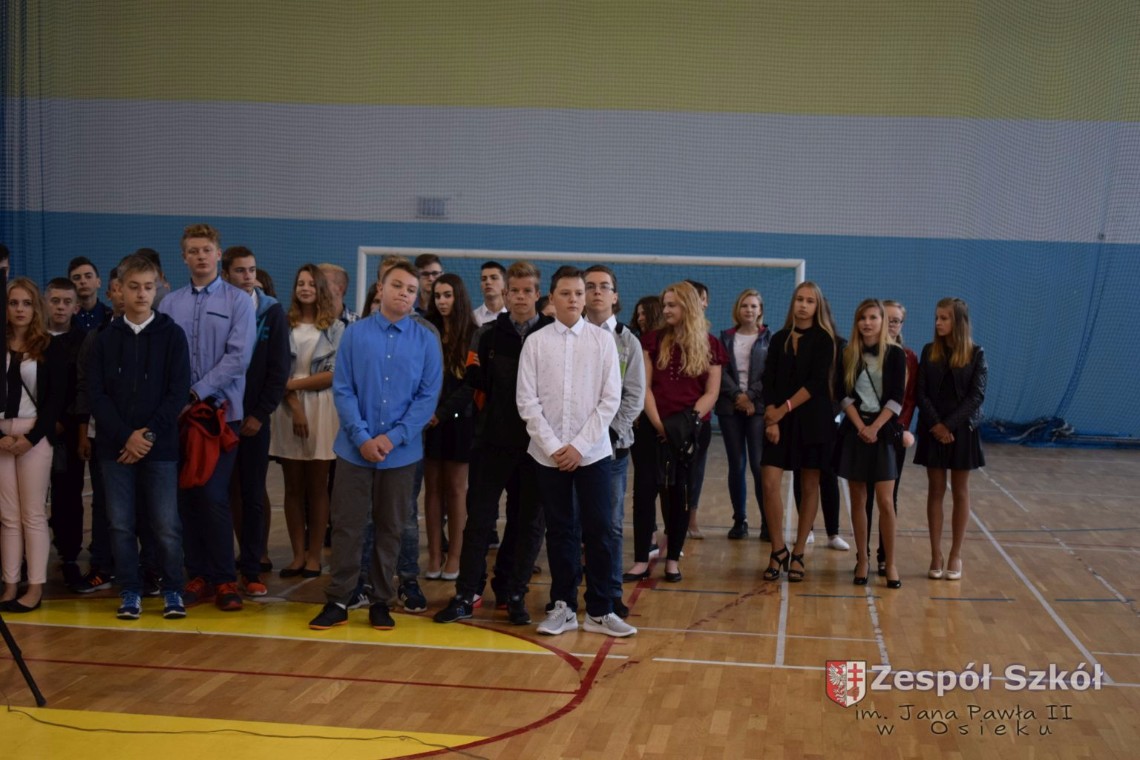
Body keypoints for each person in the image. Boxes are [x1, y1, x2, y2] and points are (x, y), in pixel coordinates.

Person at [308, 261, 441, 631]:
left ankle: (381, 600)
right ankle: (339, 599)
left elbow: (427, 397)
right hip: (354, 451)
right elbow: (343, 388)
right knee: (347, 526)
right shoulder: (355, 334)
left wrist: (392, 438)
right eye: (397, 286)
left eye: (411, 290)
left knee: (391, 527)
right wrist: (363, 437)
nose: (404, 294)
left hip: (401, 454)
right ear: (381, 289)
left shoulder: (426, 341)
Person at [433, 261, 553, 626]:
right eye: (514, 291)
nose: (520, 297)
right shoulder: (485, 335)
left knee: (527, 523)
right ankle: (466, 594)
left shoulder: (551, 335)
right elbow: (472, 386)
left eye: (527, 291)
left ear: (537, 294)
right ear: (505, 294)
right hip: (490, 445)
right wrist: (440, 414)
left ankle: (513, 591)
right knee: (479, 523)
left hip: (536, 448)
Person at [517, 267, 632, 637]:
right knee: (560, 530)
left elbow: (610, 399)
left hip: (593, 454)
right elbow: (527, 401)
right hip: (547, 455)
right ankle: (563, 607)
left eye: (578, 293)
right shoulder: (536, 343)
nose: (573, 299)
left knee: (599, 529)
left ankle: (600, 610)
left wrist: (579, 446)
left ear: (585, 299)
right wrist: (554, 447)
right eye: (565, 293)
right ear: (552, 298)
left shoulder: (602, 342)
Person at [158, 223, 256, 611]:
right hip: (179, 417)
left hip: (221, 416)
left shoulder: (239, 302)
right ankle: (196, 575)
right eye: (193, 250)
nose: (200, 256)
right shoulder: (169, 304)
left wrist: (195, 392)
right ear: (184, 257)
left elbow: (238, 357)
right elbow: (163, 357)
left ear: (218, 254)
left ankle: (225, 579)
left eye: (206, 249)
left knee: (214, 495)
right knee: (186, 496)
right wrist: (176, 399)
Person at [88, 255, 192, 619]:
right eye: (134, 287)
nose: (142, 294)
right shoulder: (103, 339)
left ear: (157, 288)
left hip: (159, 447)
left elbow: (177, 393)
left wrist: (146, 435)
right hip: (115, 449)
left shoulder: (172, 335)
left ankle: (172, 588)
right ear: (119, 289)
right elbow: (96, 395)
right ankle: (130, 590)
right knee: (120, 524)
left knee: (166, 524)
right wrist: (125, 437)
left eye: (148, 287)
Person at [637, 281, 725, 583]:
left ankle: (673, 559)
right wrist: (660, 425)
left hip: (691, 431)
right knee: (645, 492)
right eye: (665, 304)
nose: (666, 310)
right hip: (653, 427)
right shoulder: (651, 340)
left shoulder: (711, 344)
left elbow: (711, 392)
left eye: (672, 305)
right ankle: (641, 559)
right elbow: (645, 387)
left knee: (680, 494)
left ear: (688, 306)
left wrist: (685, 424)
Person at [221, 246, 290, 593]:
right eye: (240, 270)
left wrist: (260, 413)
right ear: (225, 275)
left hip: (253, 421)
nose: (248, 276)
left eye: (251, 270)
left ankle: (252, 568)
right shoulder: (216, 309)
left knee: (252, 493)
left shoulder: (272, 311)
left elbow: (279, 369)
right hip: (217, 417)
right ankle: (216, 568)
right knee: (216, 493)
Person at [760, 281, 838, 583]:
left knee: (809, 486)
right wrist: (772, 417)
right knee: (769, 482)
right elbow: (769, 379)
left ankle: (799, 551)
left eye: (810, 301)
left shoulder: (824, 339)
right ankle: (778, 548)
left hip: (813, 420)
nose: (803, 305)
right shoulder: (779, 338)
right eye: (799, 299)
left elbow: (816, 383)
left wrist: (783, 409)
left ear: (818, 306)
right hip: (779, 420)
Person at [271, 265, 344, 579]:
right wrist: (294, 405)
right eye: (300, 283)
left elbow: (333, 374)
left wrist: (292, 386)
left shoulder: (336, 328)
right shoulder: (283, 324)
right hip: (287, 408)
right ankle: (297, 555)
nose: (304, 288)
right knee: (292, 487)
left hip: (322, 407)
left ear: (321, 289)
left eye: (311, 284)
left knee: (317, 486)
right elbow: (275, 369)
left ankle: (315, 556)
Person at [1, 278, 67, 612]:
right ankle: (10, 584)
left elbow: (55, 400)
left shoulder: (49, 346)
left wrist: (30, 438)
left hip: (34, 435)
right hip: (2, 434)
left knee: (33, 514)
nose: (20, 309)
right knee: (8, 516)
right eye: (13, 303)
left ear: (35, 308)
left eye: (26, 303)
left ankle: (35, 587)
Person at [582, 265, 644, 617]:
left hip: (612, 449)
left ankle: (611, 593)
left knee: (611, 525)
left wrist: (607, 432)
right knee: (572, 524)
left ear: (615, 296)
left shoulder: (627, 341)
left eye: (604, 286)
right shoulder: (567, 336)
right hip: (572, 449)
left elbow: (634, 396)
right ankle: (568, 595)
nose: (596, 292)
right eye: (589, 286)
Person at [834, 299, 906, 590]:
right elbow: (843, 394)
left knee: (886, 501)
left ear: (882, 321)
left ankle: (891, 563)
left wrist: (875, 427)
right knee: (858, 499)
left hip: (883, 432)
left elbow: (897, 398)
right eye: (862, 318)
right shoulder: (848, 353)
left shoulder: (896, 354)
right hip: (855, 431)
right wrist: (860, 426)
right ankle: (862, 559)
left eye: (873, 317)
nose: (867, 323)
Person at [915, 297, 987, 582]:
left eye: (944, 318)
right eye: (937, 317)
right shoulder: (929, 351)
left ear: (959, 321)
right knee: (935, 490)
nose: (938, 323)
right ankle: (936, 554)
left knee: (960, 491)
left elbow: (976, 396)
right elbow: (921, 392)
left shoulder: (976, 353)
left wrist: (949, 426)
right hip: (933, 429)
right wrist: (937, 425)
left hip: (962, 430)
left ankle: (956, 554)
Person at [423, 273, 478, 579]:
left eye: (448, 295)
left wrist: (442, 413)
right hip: (428, 421)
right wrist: (427, 413)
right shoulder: (426, 330)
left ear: (459, 297)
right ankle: (434, 555)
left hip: (459, 421)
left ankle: (455, 556)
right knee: (432, 489)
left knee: (456, 490)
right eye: (437, 296)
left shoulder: (473, 333)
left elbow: (471, 385)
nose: (442, 301)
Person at [865, 300, 918, 576]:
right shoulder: (863, 352)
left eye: (896, 320)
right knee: (864, 496)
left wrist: (901, 428)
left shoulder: (907, 356)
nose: (891, 324)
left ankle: (885, 556)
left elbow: (908, 398)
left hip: (894, 433)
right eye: (886, 318)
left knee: (888, 497)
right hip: (866, 431)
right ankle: (862, 556)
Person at [716, 288, 771, 540]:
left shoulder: (769, 339)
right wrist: (738, 396)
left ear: (760, 311)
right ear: (737, 310)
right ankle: (740, 520)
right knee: (736, 465)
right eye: (744, 305)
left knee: (759, 466)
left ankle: (767, 522)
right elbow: (721, 371)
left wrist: (750, 396)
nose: (749, 310)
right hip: (730, 408)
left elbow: (770, 374)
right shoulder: (725, 338)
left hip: (758, 408)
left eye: (753, 306)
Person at [43, 278, 87, 586]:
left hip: (68, 432)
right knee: (28, 498)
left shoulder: (84, 341)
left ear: (76, 307)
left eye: (66, 302)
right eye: (55, 300)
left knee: (68, 495)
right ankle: (21, 559)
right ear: (45, 302)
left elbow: (82, 387)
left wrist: (64, 421)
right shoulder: (31, 338)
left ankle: (69, 556)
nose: (60, 307)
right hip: (31, 431)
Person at [69, 257, 112, 332]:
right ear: (69, 285)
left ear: (98, 282)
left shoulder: (110, 316)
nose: (83, 281)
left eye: (88, 276)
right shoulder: (65, 316)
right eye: (77, 278)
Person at [473, 261, 507, 325]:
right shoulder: (472, 318)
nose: (488, 282)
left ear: (505, 283)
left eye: (494, 278)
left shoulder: (514, 317)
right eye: (483, 279)